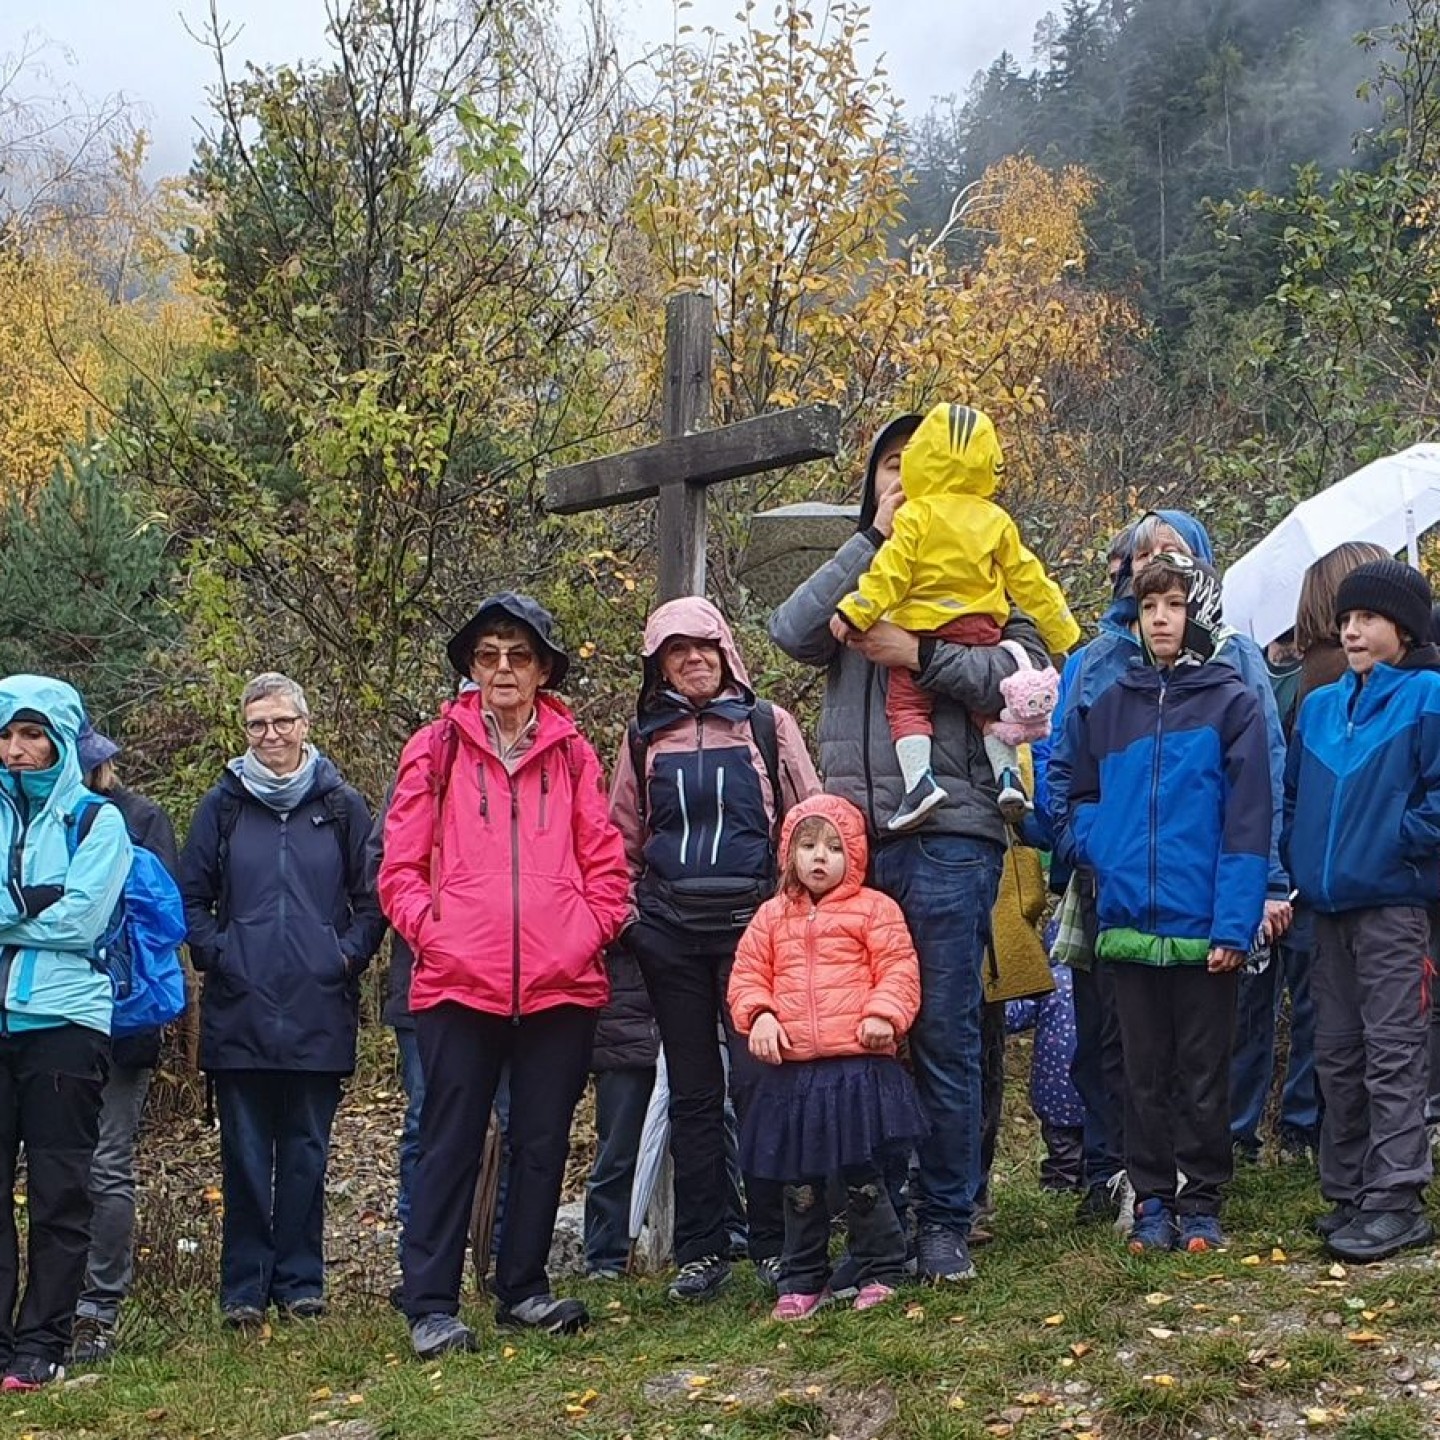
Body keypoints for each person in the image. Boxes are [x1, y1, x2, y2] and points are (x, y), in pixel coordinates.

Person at [771, 413, 1052, 1285]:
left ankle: (946, 1218)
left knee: (947, 1031)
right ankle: (877, 1223)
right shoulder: (868, 562)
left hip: (952, 828)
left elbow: (1027, 676)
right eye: (887, 467)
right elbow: (791, 630)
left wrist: (919, 652)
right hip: (852, 840)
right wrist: (873, 542)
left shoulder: (984, 559)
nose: (901, 477)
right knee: (859, 1037)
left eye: (912, 464)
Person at [380, 593, 630, 1356]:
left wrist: (584, 937)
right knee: (448, 1139)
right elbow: (398, 867)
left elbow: (608, 868)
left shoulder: (574, 751)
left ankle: (523, 1288)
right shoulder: (436, 747)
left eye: (518, 655)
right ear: (470, 668)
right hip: (460, 981)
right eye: (488, 655)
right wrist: (437, 934)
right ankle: (429, 1302)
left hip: (561, 983)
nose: (502, 668)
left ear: (543, 668)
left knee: (544, 1139)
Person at [1048, 510, 1294, 1228]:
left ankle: (1203, 1198)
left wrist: (1236, 922)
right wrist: (1102, 850)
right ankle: (1152, 1197)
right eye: (1149, 605)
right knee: (1139, 1069)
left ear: (1197, 611)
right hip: (1127, 919)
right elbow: (1076, 788)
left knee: (1203, 1069)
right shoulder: (1111, 699)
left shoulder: (1230, 701)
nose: (1161, 619)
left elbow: (1249, 819)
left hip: (1202, 923)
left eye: (1175, 605)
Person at [608, 596, 820, 1303]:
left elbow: (810, 821)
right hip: (669, 937)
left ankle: (771, 1243)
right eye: (676, 650)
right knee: (695, 1095)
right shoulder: (643, 736)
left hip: (753, 933)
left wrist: (798, 917)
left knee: (760, 1087)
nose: (692, 659)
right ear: (658, 663)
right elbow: (620, 838)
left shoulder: (767, 724)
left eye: (703, 646)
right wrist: (633, 920)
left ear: (726, 649)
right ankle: (702, 1250)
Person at [181, 672, 383, 1328]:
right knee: (242, 1155)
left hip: (319, 1007)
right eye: (258, 725)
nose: (271, 735)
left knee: (305, 1152)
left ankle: (301, 1282)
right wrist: (222, 953)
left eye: (282, 722)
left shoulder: (341, 805)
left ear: (305, 724)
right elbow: (191, 898)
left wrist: (344, 956)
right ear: (244, 731)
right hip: (239, 1008)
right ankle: (244, 1288)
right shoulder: (224, 805)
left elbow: (373, 896)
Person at [1284, 559, 1440, 1263]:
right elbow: (1292, 798)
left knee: (1394, 1051)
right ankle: (1348, 1189)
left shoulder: (1430, 697)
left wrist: (1398, 848)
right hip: (1327, 909)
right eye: (1347, 618)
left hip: (1394, 910)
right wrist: (1297, 855)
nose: (1352, 629)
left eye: (1368, 618)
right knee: (1337, 1053)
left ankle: (1397, 1197)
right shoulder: (1317, 706)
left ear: (1403, 630)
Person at [828, 402, 1079, 829]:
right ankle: (1008, 777)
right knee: (990, 713)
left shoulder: (917, 516)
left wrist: (856, 612)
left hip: (924, 620)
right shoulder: (996, 519)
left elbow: (890, 573)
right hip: (981, 625)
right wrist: (1062, 629)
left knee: (906, 704)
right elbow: (1029, 577)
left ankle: (920, 784)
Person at [728, 795, 926, 1317]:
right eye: (809, 846)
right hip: (795, 1079)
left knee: (864, 1177)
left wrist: (885, 1012)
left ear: (855, 853)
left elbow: (899, 968)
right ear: (789, 853)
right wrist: (761, 1014)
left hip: (857, 1068)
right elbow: (747, 977)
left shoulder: (875, 910)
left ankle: (880, 1264)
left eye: (835, 847)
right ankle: (801, 1276)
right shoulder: (771, 917)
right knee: (801, 1187)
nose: (821, 858)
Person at [0, 678, 131, 1391]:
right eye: (7, 736)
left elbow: (84, 921)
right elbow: (59, 911)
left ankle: (40, 1344)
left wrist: (11, 907)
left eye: (33, 736)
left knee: (59, 1192)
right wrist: (37, 901)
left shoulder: (96, 820)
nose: (17, 752)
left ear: (60, 739)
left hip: (65, 1026)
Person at [68, 725, 181, 1365]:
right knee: (64, 1163)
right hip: (44, 1019)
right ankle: (57, 1303)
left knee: (107, 1162)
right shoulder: (23, 819)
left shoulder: (139, 818)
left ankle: (98, 1308)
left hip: (123, 1020)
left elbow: (165, 923)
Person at [583, 938, 659, 1280]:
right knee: (617, 1148)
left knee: (714, 1131)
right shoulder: (609, 886)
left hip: (684, 1021)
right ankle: (605, 1255)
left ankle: (728, 1237)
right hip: (620, 1030)